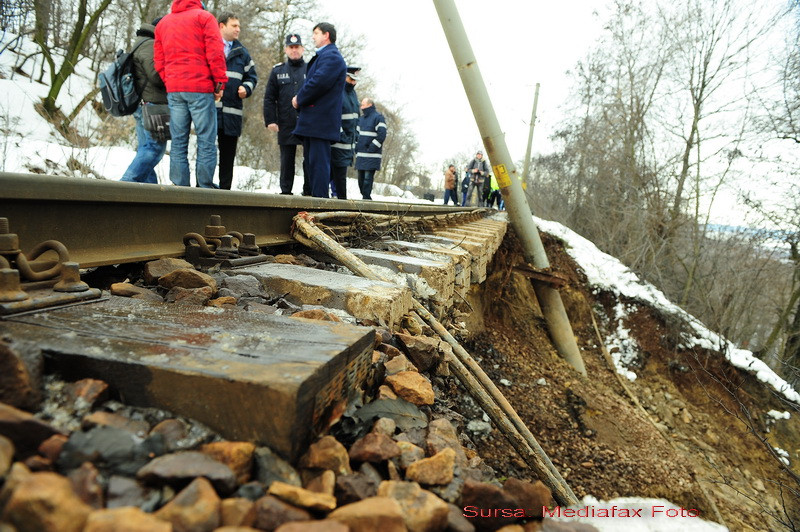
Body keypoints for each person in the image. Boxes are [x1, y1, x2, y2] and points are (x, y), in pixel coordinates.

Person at [154, 0, 227, 188]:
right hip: (200, 88)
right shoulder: (204, 18)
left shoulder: (163, 24)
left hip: (175, 89)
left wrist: (170, 80)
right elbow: (215, 53)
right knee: (206, 140)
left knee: (178, 142)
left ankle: (180, 189)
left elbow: (159, 61)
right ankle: (204, 188)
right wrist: (219, 84)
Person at [291, 22, 346, 198]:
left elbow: (318, 83)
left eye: (316, 33)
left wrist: (299, 98)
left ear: (326, 35)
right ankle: (315, 201)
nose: (313, 37)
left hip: (319, 123)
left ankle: (320, 204)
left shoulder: (332, 58)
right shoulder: (324, 57)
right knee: (312, 165)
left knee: (319, 165)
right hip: (314, 123)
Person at [121, 18, 167, 184]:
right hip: (151, 104)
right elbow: (156, 76)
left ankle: (150, 196)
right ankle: (124, 186)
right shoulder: (149, 45)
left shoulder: (143, 42)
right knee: (155, 149)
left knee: (146, 148)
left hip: (145, 104)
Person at [216, 12, 257, 190]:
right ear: (221, 26)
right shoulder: (210, 46)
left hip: (232, 114)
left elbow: (252, 77)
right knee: (207, 153)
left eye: (239, 26)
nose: (238, 29)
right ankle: (203, 189)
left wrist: (246, 88)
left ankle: (224, 192)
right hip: (210, 111)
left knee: (227, 155)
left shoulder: (243, 53)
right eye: (234, 25)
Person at [264, 33, 308, 195]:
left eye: (297, 47)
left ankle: (308, 191)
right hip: (285, 121)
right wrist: (271, 120)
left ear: (302, 49)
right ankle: (285, 192)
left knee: (308, 159)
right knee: (286, 160)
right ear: (286, 49)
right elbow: (269, 98)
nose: (294, 50)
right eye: (291, 47)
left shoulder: (310, 69)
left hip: (306, 122)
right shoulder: (277, 71)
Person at [330, 66, 360, 199]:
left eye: (355, 80)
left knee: (339, 177)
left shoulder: (353, 94)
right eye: (350, 79)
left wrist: (356, 135)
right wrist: (341, 135)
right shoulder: (338, 91)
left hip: (349, 145)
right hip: (338, 144)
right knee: (337, 177)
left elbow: (356, 117)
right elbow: (333, 116)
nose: (353, 82)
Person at [354, 97, 387, 200]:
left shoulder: (378, 118)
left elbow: (382, 135)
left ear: (369, 105)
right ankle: (365, 198)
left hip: (372, 155)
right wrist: (356, 147)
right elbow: (356, 135)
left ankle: (366, 200)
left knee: (368, 180)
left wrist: (372, 147)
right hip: (361, 155)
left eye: (363, 105)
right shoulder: (361, 119)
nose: (361, 107)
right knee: (361, 180)